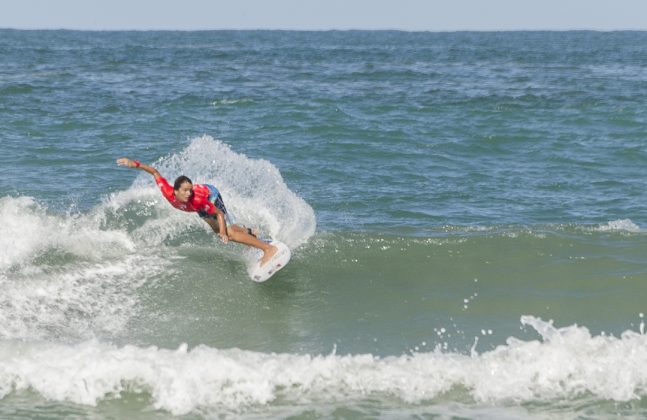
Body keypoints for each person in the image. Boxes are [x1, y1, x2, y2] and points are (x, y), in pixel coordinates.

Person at [116, 158, 278, 265]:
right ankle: (250, 233)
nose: (188, 193)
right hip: (198, 207)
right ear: (176, 190)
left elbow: (219, 214)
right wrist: (135, 164)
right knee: (218, 230)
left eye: (190, 190)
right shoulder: (166, 190)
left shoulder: (196, 199)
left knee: (227, 232)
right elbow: (155, 172)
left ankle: (267, 249)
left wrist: (223, 232)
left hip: (211, 196)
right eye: (185, 191)